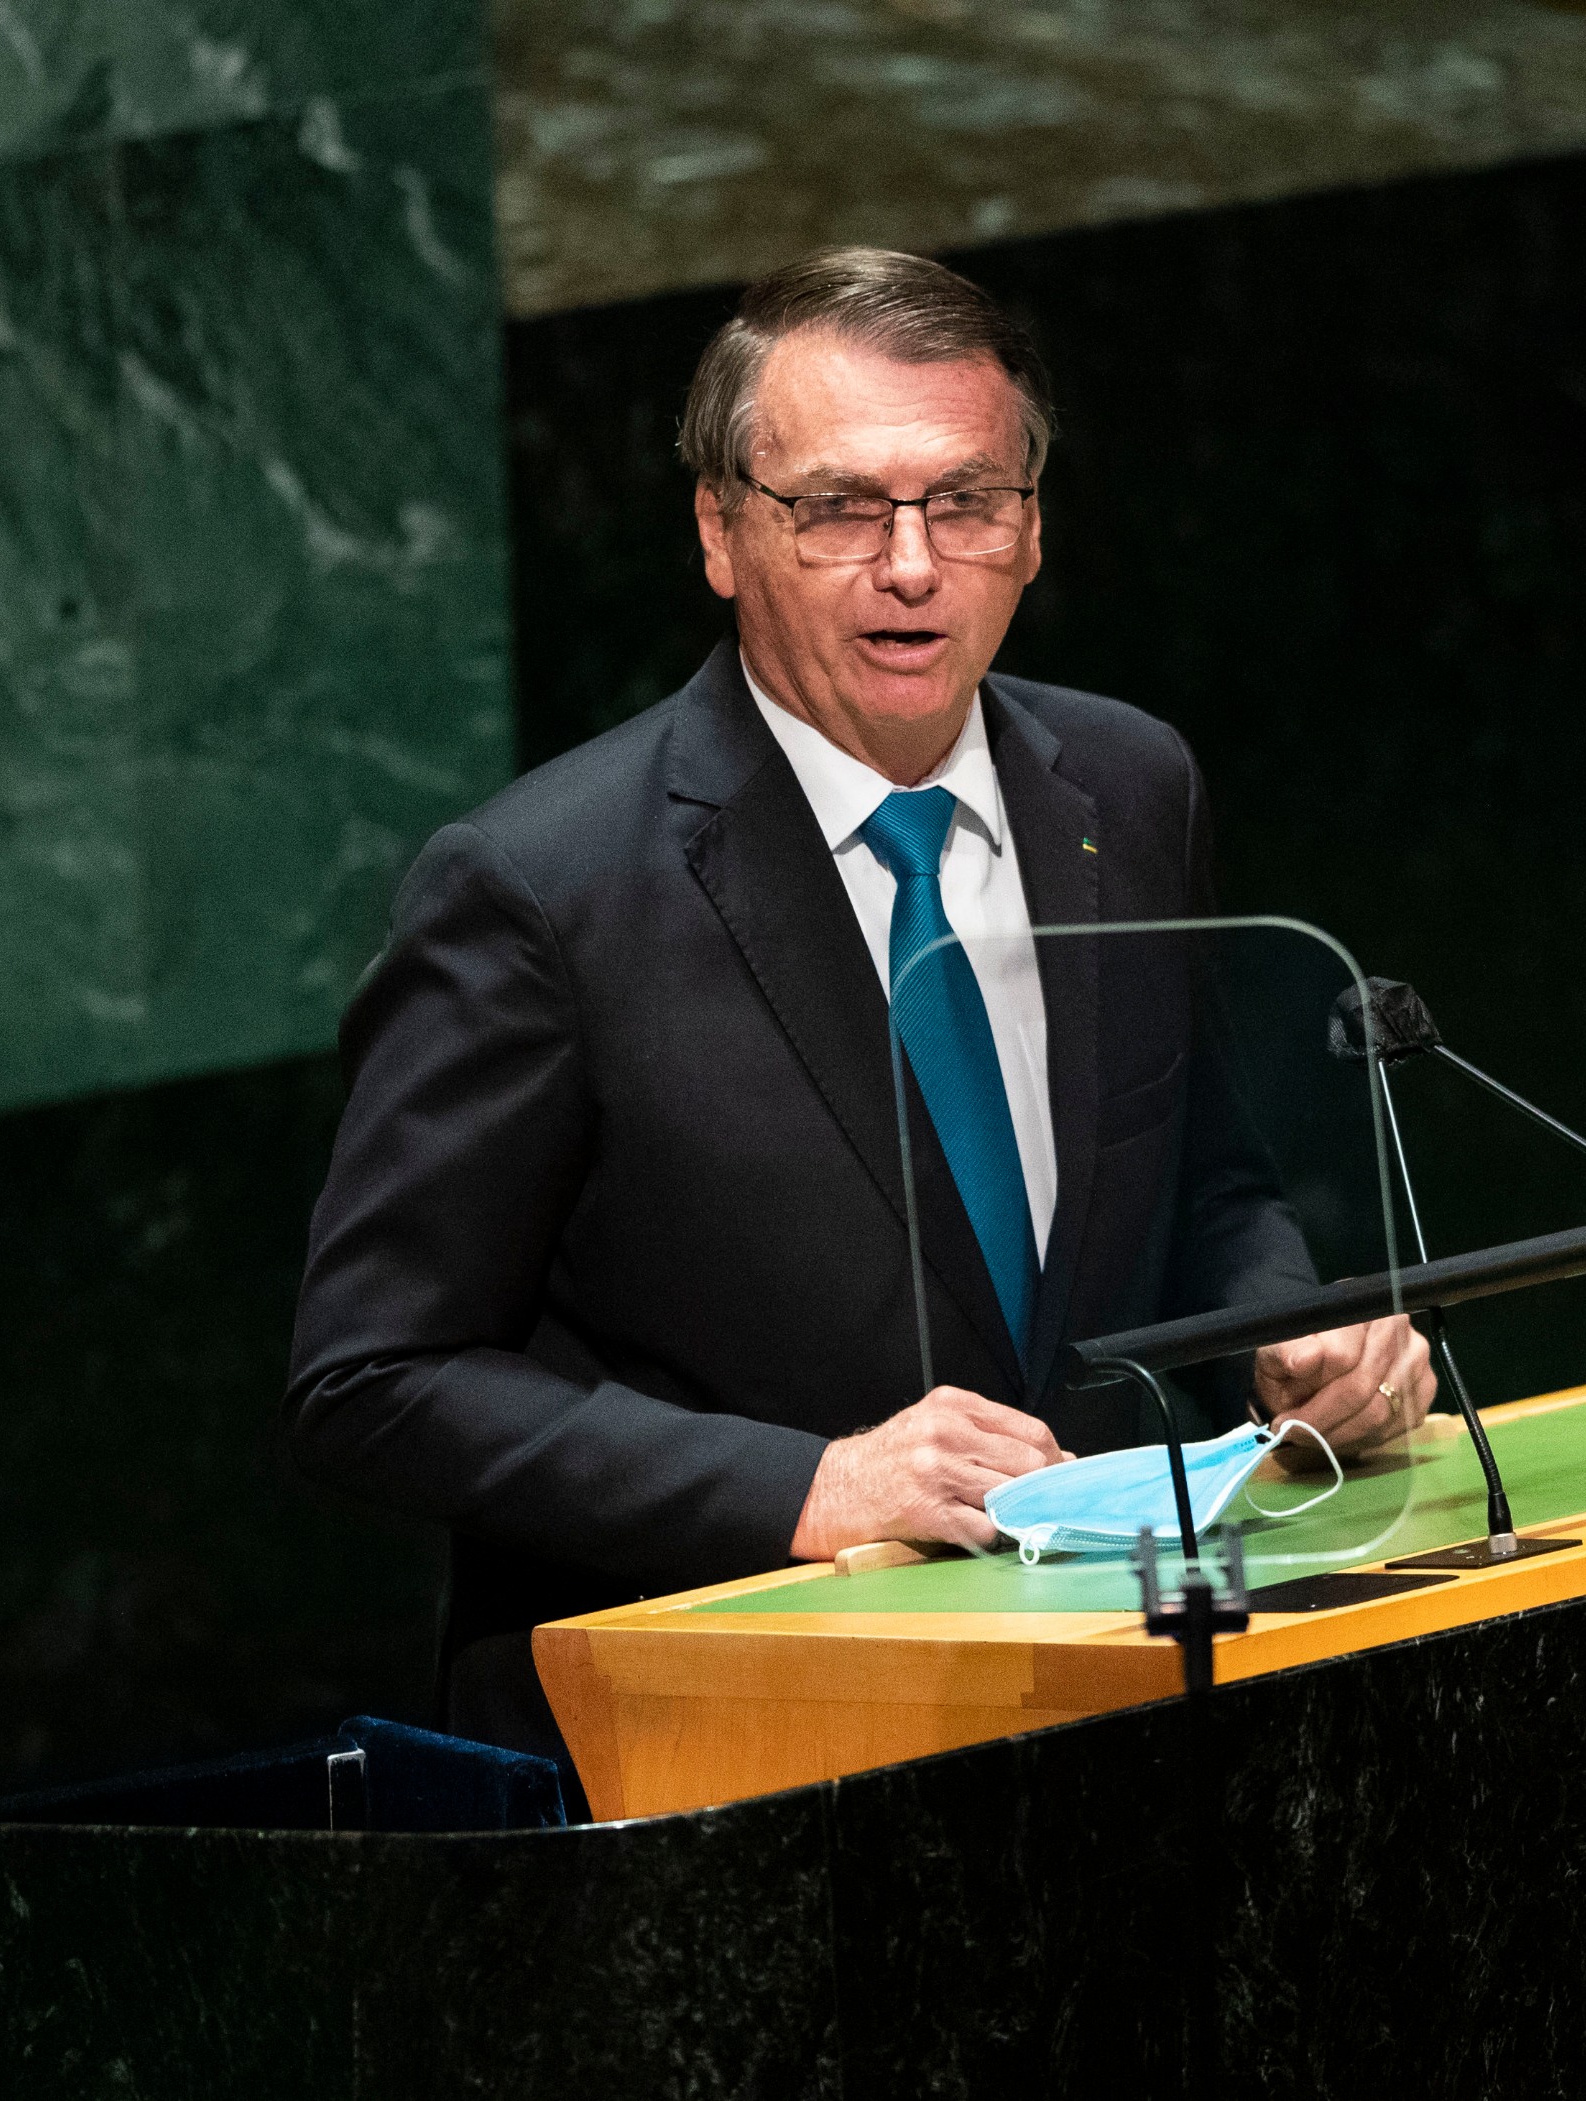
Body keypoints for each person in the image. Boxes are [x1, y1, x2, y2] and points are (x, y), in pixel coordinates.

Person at [286, 248, 1434, 1777]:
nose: (911, 565)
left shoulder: (1130, 785)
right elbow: (371, 1382)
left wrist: (1289, 1336)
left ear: (1032, 527)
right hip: (720, 1755)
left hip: (1121, 1703)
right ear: (720, 530)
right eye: (838, 507)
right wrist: (807, 1487)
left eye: (966, 501)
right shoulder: (540, 890)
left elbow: (1204, 1186)